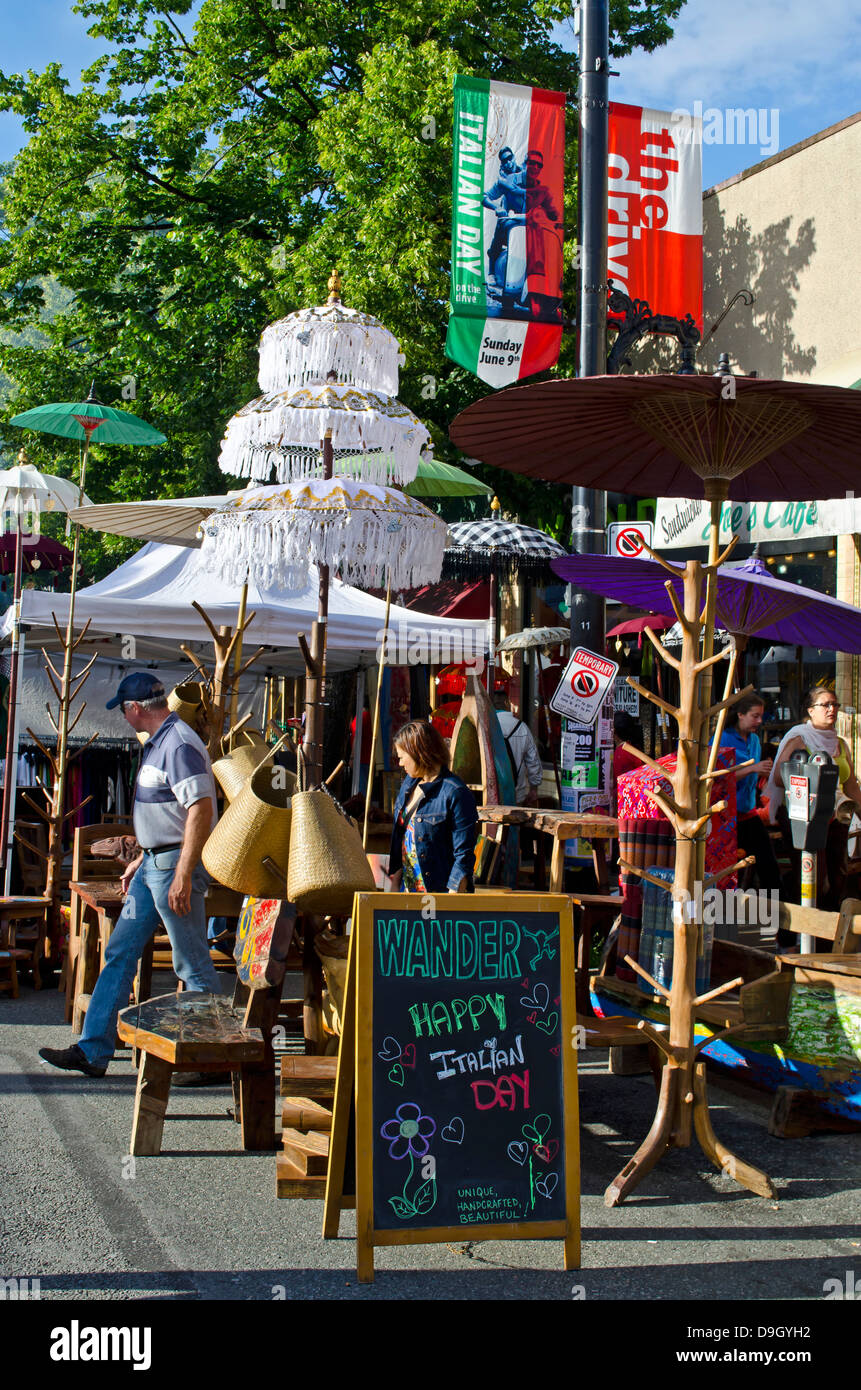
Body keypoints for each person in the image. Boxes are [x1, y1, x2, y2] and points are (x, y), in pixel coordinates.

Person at [39, 672, 223, 1080]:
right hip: (155, 864)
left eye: (123, 709)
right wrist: (144, 857)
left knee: (191, 963)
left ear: (136, 709)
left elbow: (201, 809)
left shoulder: (176, 744)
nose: (124, 716)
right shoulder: (165, 741)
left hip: (171, 866)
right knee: (121, 952)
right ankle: (93, 1051)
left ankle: (208, 1057)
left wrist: (182, 871)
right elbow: (175, 813)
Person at [388, 720, 478, 893]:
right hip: (406, 893)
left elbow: (463, 856)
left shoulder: (455, 792)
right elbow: (400, 838)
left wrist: (451, 904)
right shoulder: (409, 784)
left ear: (418, 753)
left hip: (438, 895)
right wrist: (394, 885)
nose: (400, 764)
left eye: (401, 757)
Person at [714, 692, 781, 894]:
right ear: (740, 715)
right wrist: (752, 769)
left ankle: (777, 915)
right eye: (755, 716)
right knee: (728, 870)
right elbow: (716, 778)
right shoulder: (722, 739)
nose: (759, 721)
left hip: (748, 812)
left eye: (761, 716)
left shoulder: (754, 740)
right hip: (725, 816)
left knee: (768, 866)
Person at [766, 687, 861, 822]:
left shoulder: (841, 744)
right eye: (825, 705)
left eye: (834, 704)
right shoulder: (799, 740)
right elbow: (779, 778)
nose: (831, 709)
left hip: (836, 818)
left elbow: (851, 786)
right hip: (804, 819)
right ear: (811, 711)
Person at [491, 687, 543, 806]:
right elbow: (533, 761)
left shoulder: (485, 726)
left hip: (490, 793)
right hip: (516, 794)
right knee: (514, 822)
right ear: (507, 703)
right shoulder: (521, 727)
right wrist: (534, 789)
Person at [482, 147, 526, 288]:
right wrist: (498, 208)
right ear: (502, 164)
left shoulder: (525, 174)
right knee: (499, 234)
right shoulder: (502, 180)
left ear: (514, 157)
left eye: (510, 158)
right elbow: (484, 197)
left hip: (527, 217)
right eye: (505, 160)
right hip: (509, 219)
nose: (508, 162)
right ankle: (492, 273)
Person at [611, 711, 643, 815]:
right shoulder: (632, 750)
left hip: (626, 805)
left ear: (614, 731)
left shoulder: (621, 753)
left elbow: (621, 783)